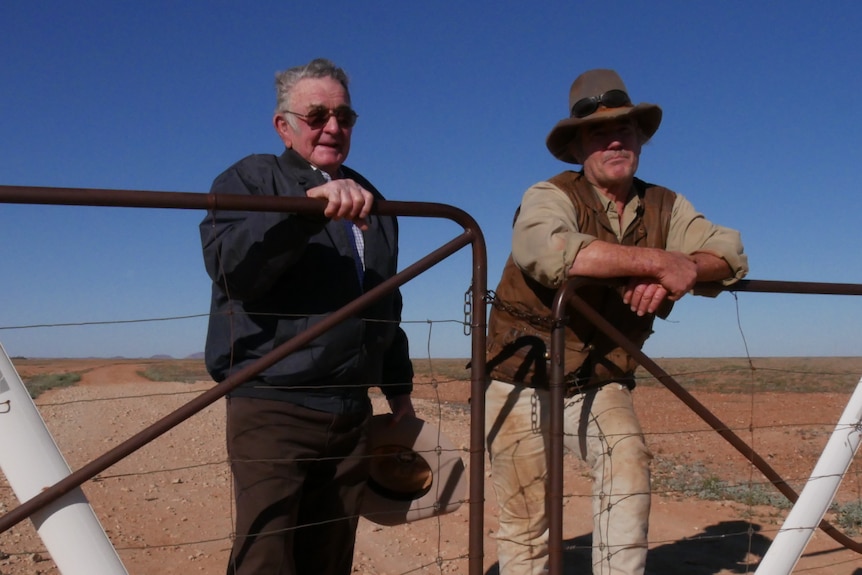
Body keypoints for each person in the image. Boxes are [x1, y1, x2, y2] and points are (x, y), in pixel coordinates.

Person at [484, 69, 748, 575]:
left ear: (640, 140)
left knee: (629, 470)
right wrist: (654, 262)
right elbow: (545, 249)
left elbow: (729, 250)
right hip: (522, 375)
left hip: (600, 379)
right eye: (598, 133)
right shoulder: (550, 194)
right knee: (526, 517)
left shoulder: (665, 206)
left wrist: (686, 266)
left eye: (624, 129)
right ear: (578, 145)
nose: (614, 141)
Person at [199, 58, 415, 575]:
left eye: (345, 116)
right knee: (267, 557)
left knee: (331, 555)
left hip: (349, 412)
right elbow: (232, 267)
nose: (333, 128)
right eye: (317, 115)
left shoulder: (371, 199)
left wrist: (399, 390)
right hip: (273, 404)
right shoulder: (252, 178)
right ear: (284, 125)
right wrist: (303, 208)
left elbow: (384, 303)